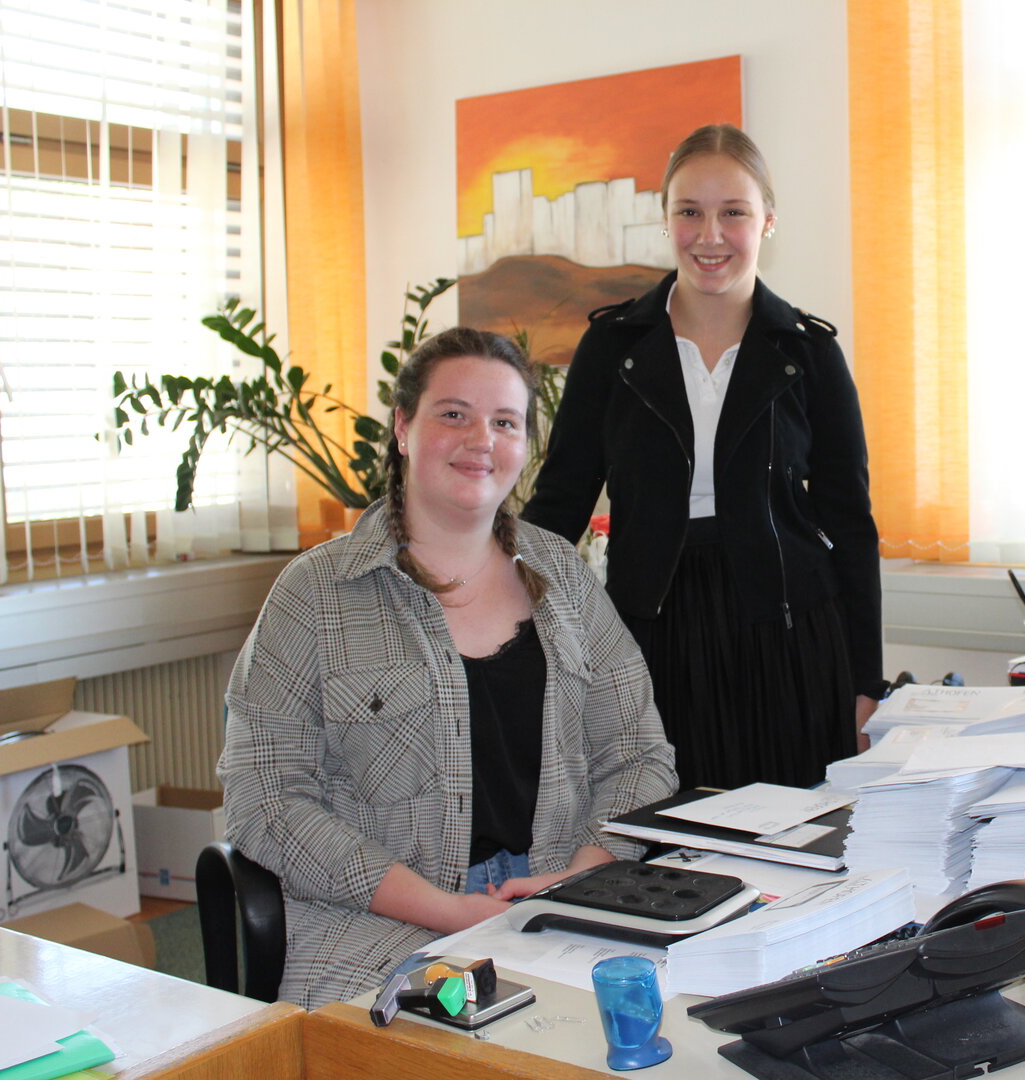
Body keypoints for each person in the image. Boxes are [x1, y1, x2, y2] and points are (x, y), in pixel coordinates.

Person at [219, 327, 677, 1009]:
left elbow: (640, 756)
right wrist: (444, 911)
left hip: (555, 902)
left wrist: (581, 877)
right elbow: (267, 802)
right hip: (372, 925)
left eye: (505, 422)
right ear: (404, 427)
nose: (481, 441)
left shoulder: (566, 580)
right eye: (453, 414)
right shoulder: (313, 595)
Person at [523, 123, 885, 791]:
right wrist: (498, 627)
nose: (710, 235)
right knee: (660, 845)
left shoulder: (809, 353)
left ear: (767, 221)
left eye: (734, 212)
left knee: (792, 849)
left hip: (790, 636)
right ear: (665, 218)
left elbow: (852, 525)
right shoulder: (612, 349)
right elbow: (560, 504)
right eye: (689, 211)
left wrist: (867, 680)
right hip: (650, 637)